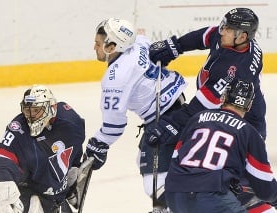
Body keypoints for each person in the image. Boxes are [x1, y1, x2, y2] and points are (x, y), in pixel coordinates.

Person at [146, 7, 272, 212]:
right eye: (224, 26)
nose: (222, 31)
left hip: (244, 118)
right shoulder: (231, 38)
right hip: (226, 107)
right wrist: (176, 45)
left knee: (225, 160)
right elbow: (206, 35)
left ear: (243, 36)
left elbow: (199, 108)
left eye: (228, 29)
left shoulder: (235, 69)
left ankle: (240, 198)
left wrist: (169, 125)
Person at [84, 17, 187, 212]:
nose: (94, 48)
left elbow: (114, 126)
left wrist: (98, 143)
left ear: (112, 46)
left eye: (98, 44)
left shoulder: (115, 79)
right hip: (183, 107)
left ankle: (173, 208)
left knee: (153, 184)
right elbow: (147, 43)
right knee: (144, 158)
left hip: (164, 120)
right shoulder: (139, 42)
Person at [164, 79, 277, 213]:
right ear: (249, 105)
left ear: (223, 97)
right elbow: (264, 186)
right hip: (210, 196)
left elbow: (176, 157)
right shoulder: (249, 132)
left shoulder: (196, 119)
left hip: (174, 193)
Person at [0, 85, 86, 213]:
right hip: (31, 197)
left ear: (52, 108)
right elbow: (2, 160)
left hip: (57, 200)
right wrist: (1, 183)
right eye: (28, 110)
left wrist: (73, 178)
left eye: (37, 110)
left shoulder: (70, 121)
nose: (31, 116)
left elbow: (76, 144)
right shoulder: (18, 128)